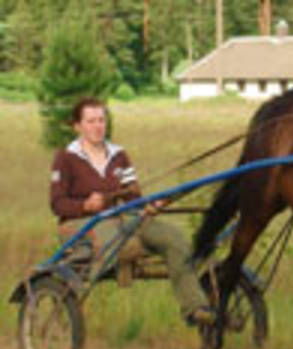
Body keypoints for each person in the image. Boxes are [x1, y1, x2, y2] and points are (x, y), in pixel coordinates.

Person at [50, 96, 214, 326]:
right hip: (80, 225)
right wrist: (85, 206)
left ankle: (195, 308)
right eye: (91, 121)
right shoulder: (65, 158)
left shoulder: (119, 155)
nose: (98, 126)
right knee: (120, 242)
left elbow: (133, 198)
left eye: (101, 120)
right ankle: (115, 261)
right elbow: (57, 204)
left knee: (174, 239)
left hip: (122, 221)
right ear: (77, 126)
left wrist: (150, 206)